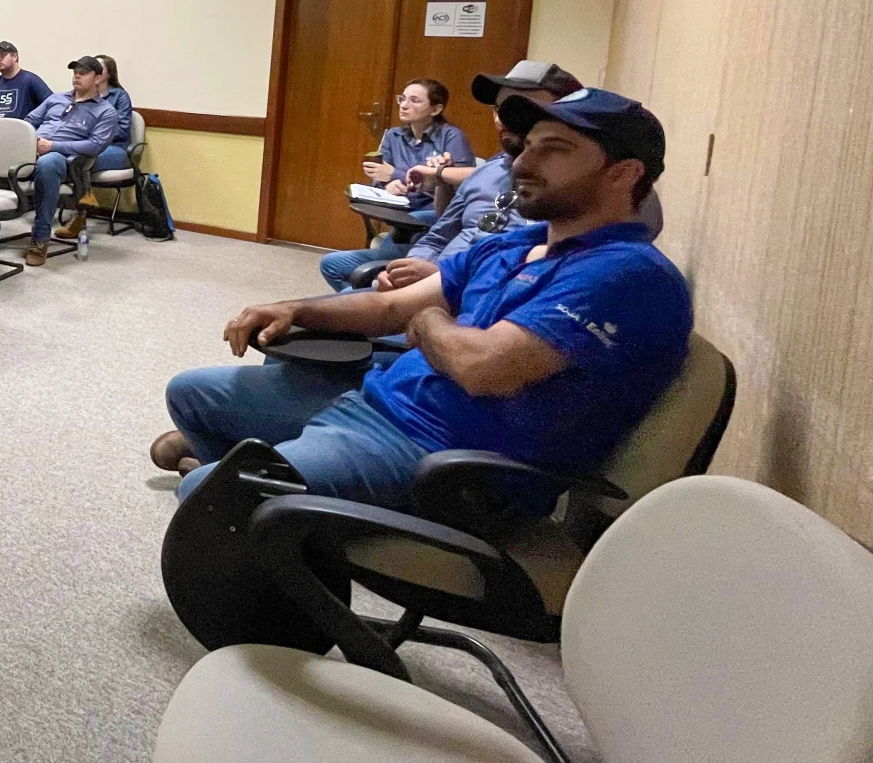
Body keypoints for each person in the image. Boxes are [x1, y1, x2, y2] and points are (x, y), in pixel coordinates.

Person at [152, 89, 690, 514]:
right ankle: (282, 495)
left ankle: (284, 511)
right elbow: (389, 308)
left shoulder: (626, 274)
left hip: (444, 459)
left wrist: (431, 322)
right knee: (191, 394)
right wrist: (296, 308)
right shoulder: (520, 242)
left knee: (205, 496)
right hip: (378, 403)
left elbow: (483, 368)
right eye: (529, 145)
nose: (525, 162)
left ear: (624, 173)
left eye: (556, 150)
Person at [319, 60, 585, 291]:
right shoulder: (489, 171)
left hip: (466, 301)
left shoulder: (571, 188)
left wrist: (440, 279)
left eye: (523, 108)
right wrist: (415, 266)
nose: (506, 118)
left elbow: (531, 273)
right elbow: (439, 234)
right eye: (500, 108)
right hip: (426, 281)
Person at [19, 57, 121, 265]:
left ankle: (40, 239)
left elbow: (95, 145)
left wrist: (53, 146)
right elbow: (30, 120)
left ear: (98, 77)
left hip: (63, 160)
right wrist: (32, 139)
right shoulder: (56, 99)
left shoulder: (105, 112)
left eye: (83, 72)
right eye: (75, 71)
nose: (77, 75)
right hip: (31, 150)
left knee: (48, 163)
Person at [364, 78, 476, 212]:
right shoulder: (393, 136)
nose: (404, 105)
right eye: (402, 99)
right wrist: (388, 185)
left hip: (437, 212)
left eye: (414, 100)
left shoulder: (452, 136)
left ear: (435, 109)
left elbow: (461, 186)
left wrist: (395, 174)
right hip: (400, 208)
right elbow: (379, 176)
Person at [56, 54, 135, 243]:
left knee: (81, 157)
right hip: (88, 145)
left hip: (115, 148)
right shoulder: (79, 96)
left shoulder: (119, 96)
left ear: (105, 74)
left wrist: (95, 134)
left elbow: (123, 129)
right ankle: (82, 203)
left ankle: (80, 217)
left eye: (98, 68)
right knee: (68, 155)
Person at [0, 41, 52, 121]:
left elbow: (51, 104)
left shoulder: (30, 80)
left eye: (2, 55)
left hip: (23, 131)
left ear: (15, 57)